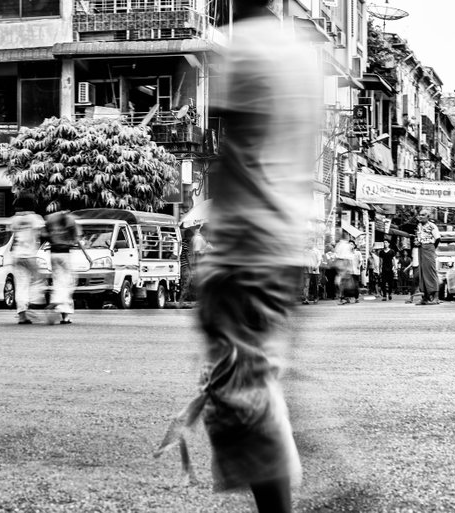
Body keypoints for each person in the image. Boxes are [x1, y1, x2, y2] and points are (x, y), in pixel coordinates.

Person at [154, 2, 320, 511]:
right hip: (284, 240)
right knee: (257, 381)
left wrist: (218, 248)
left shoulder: (249, 46)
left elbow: (235, 148)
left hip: (248, 243)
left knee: (242, 395)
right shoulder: (300, 50)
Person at [44, 210, 84, 324]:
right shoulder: (70, 220)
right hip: (65, 254)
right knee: (69, 283)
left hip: (53, 253)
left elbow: (44, 235)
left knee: (58, 282)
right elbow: (76, 238)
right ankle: (58, 302)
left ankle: (65, 316)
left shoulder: (51, 219)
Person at [11, 194, 46, 324]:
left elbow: (14, 234)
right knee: (38, 280)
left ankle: (22, 315)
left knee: (21, 284)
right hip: (29, 255)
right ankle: (33, 304)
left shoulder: (14, 219)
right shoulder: (35, 218)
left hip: (16, 255)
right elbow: (44, 233)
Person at [415, 209, 441, 305]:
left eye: (423, 215)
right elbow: (419, 236)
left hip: (429, 247)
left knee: (430, 272)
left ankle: (435, 297)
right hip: (421, 248)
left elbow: (437, 238)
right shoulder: (419, 226)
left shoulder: (432, 226)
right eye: (420, 215)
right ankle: (425, 297)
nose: (420, 216)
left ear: (428, 217)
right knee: (422, 273)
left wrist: (432, 248)